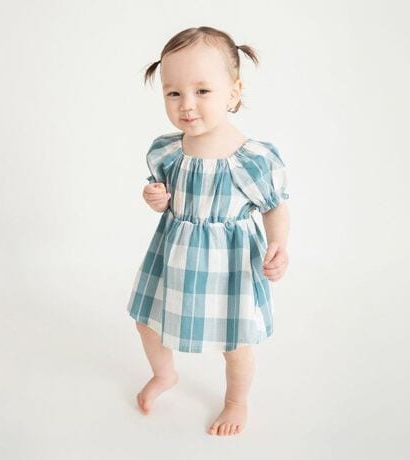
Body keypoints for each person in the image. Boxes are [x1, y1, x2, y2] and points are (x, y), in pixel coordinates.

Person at [126, 26, 290, 436]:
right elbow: (168, 197)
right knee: (147, 322)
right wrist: (157, 198)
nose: (187, 105)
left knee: (236, 342)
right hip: (174, 255)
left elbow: (274, 206)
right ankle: (164, 374)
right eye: (173, 93)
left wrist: (278, 244)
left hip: (229, 264)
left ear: (233, 93)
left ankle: (236, 401)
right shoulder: (168, 150)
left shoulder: (250, 159)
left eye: (202, 91)